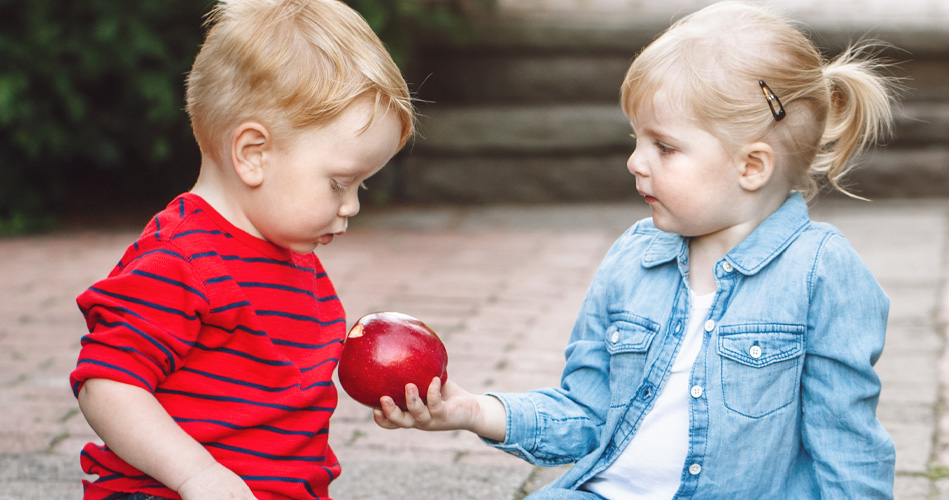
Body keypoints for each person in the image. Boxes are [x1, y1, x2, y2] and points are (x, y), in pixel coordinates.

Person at [374, 2, 899, 498]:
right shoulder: (634, 259)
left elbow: (846, 445)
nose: (635, 161)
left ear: (751, 166)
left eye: (664, 147)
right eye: (636, 140)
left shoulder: (821, 272)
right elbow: (585, 413)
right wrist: (470, 410)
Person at [69, 0, 414, 498]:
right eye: (340, 183)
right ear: (253, 154)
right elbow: (108, 385)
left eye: (363, 187)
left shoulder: (298, 261)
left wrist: (392, 380)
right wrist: (198, 476)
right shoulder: (180, 259)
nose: (352, 206)